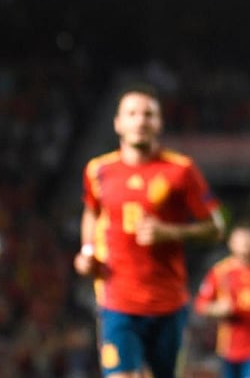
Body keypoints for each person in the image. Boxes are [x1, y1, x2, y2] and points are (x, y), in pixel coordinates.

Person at [73, 83, 226, 378]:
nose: (140, 120)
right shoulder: (97, 170)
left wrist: (169, 232)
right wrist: (88, 252)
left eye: (148, 114)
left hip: (168, 302)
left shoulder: (181, 170)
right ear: (118, 123)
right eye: (132, 113)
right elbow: (91, 213)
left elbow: (217, 228)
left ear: (159, 123)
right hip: (116, 300)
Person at [194, 221, 250, 378]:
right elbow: (201, 305)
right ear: (231, 243)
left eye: (249, 239)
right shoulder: (220, 272)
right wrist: (217, 309)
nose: (245, 243)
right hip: (228, 347)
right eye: (241, 239)